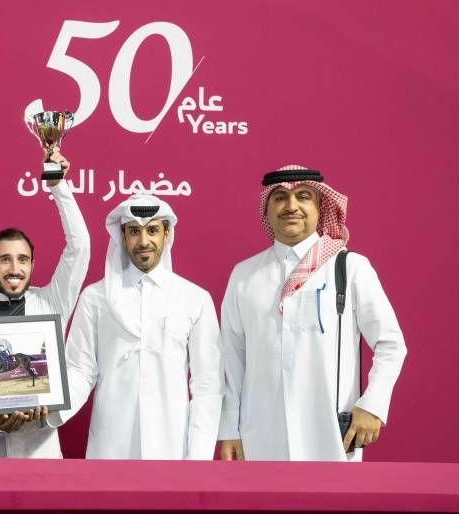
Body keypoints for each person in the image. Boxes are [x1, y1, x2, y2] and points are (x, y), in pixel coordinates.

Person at [218, 165, 407, 461]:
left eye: (303, 197)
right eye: (280, 198)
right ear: (267, 210)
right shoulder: (244, 275)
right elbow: (232, 358)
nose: (291, 206)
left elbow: (391, 343)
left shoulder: (349, 267)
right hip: (261, 436)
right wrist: (230, 428)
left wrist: (372, 405)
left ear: (320, 206)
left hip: (330, 435)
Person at [52, 194, 222, 459]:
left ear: (166, 234)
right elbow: (79, 371)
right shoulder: (95, 298)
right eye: (134, 231)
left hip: (172, 448)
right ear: (122, 236)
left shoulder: (194, 299)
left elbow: (207, 384)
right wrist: (46, 410)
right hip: (111, 447)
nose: (144, 241)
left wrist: (199, 457)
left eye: (152, 230)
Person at [0, 147, 89, 458]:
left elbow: (80, 247)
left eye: (22, 259)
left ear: (32, 264)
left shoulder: (52, 302)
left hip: (42, 449)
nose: (14, 268)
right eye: (5, 259)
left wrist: (58, 185)